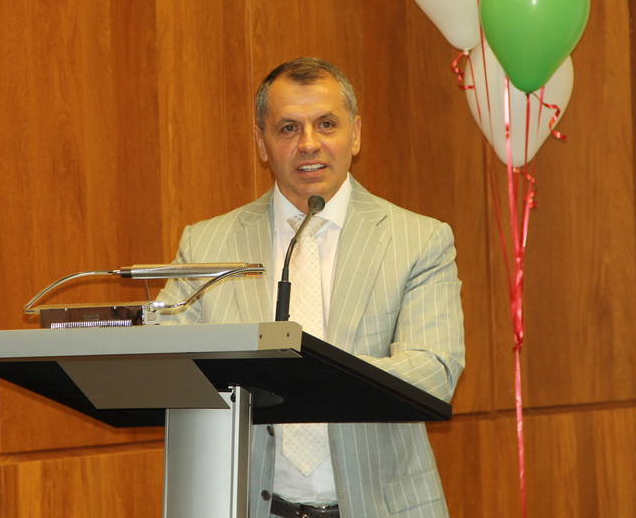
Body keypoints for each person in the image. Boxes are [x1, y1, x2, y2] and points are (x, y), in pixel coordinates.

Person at [158, 58, 465, 518]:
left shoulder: (418, 240)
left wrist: (311, 379)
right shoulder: (206, 244)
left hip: (383, 507)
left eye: (326, 124)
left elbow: (434, 371)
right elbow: (166, 359)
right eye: (288, 128)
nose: (308, 144)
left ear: (355, 134)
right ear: (261, 143)